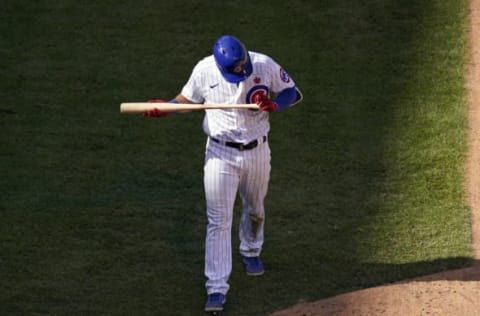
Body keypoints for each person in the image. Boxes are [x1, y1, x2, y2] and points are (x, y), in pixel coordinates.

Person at [143, 35, 302, 313]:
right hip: (220, 154)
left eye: (243, 66)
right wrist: (165, 108)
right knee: (218, 220)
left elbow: (292, 92)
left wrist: (275, 105)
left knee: (255, 208)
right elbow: (186, 100)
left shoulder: (263, 64)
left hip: (257, 151)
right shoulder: (204, 70)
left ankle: (251, 249)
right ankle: (216, 287)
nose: (241, 72)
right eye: (235, 69)